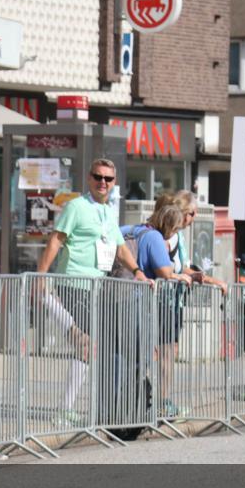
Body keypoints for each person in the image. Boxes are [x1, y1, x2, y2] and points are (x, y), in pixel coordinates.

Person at [35, 159, 147, 428]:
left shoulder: (109, 211)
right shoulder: (76, 207)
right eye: (98, 177)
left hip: (98, 288)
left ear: (114, 182)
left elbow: (120, 248)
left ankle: (78, 408)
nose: (103, 182)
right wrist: (40, 275)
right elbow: (56, 240)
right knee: (88, 344)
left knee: (92, 347)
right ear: (89, 178)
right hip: (74, 284)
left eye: (108, 179)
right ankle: (66, 410)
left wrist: (138, 270)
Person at [121, 205, 192, 417]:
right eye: (176, 229)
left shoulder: (129, 230)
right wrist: (180, 276)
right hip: (138, 302)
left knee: (121, 357)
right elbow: (165, 271)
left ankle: (124, 406)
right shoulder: (154, 238)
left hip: (115, 296)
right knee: (139, 359)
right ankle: (140, 409)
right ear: (169, 226)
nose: (175, 233)